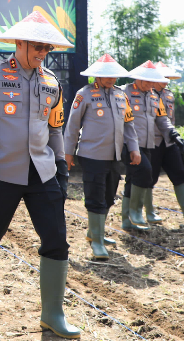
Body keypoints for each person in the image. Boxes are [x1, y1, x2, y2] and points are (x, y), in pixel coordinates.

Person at [0, 11, 80, 339]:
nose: (42, 53)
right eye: (37, 47)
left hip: (42, 173)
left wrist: (62, 169)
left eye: (48, 49)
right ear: (20, 43)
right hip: (1, 172)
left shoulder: (51, 82)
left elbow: (55, 129)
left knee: (56, 241)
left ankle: (53, 313)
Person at [63, 54, 139, 260]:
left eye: (114, 76)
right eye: (107, 76)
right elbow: (72, 126)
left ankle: (95, 233)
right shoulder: (84, 95)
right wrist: (67, 154)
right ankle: (97, 241)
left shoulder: (121, 96)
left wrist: (134, 148)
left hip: (114, 156)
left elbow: (129, 124)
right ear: (96, 76)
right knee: (95, 197)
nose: (111, 79)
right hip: (91, 155)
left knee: (108, 197)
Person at [146, 63, 184, 222]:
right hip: (150, 141)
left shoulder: (168, 95)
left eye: (167, 78)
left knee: (180, 172)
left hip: (168, 140)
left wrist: (175, 135)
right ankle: (149, 212)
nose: (166, 81)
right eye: (163, 78)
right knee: (148, 177)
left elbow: (170, 120)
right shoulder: (144, 94)